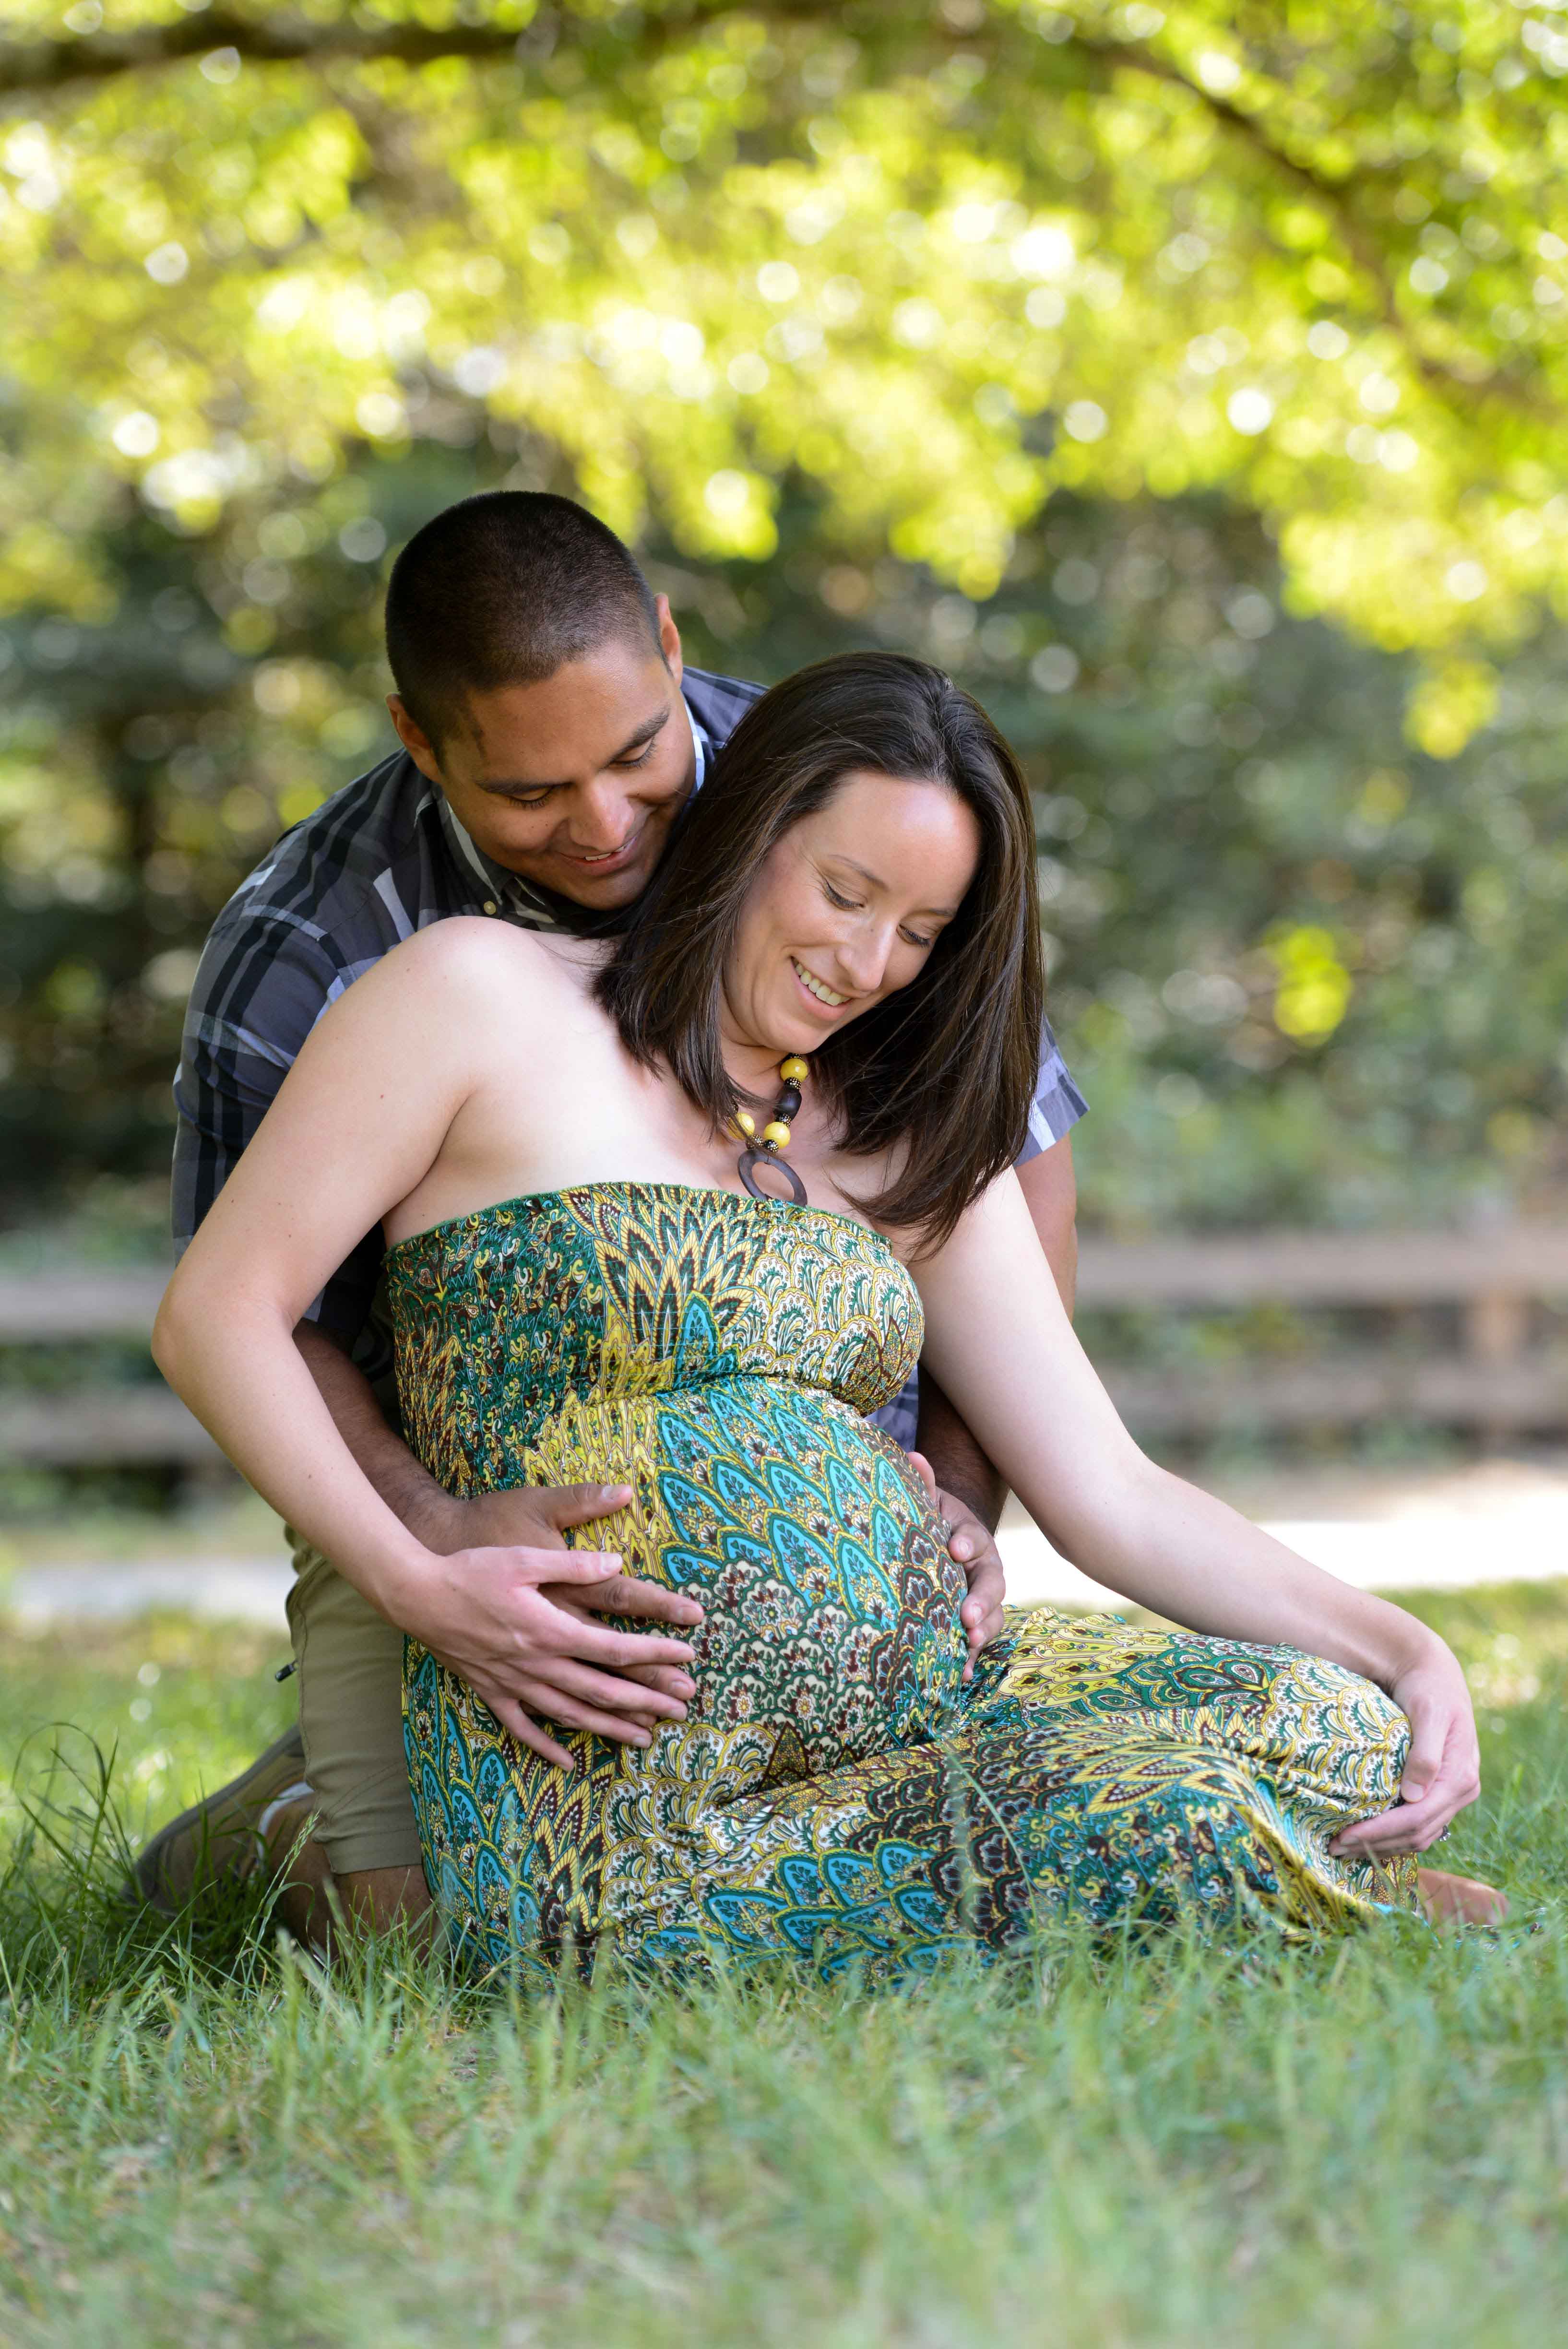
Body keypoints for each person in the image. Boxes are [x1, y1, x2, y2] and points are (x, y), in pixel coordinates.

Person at [153, 651, 1495, 1979]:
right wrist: (421, 1582)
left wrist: (1404, 1646)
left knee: (1345, 1724)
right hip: (612, 1800)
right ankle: (1239, 1866)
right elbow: (218, 1315)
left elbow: (1111, 1491)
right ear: (746, 831)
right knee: (1170, 1822)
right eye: (843, 892)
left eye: (918, 932)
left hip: (906, 1716)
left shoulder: (888, 1129)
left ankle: (1206, 1841)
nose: (865, 962)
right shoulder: (479, 997)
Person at [135, 494, 1087, 1942]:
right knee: (422, 1934)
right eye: (529, 795)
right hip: (445, 1474)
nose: (604, 825)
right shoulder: (311, 948)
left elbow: (997, 1146)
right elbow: (270, 1315)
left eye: (638, 757)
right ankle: (280, 1829)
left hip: (816, 1460)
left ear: (665, 642)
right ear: (419, 739)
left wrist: (957, 1497)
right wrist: (433, 1543)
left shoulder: (836, 794)